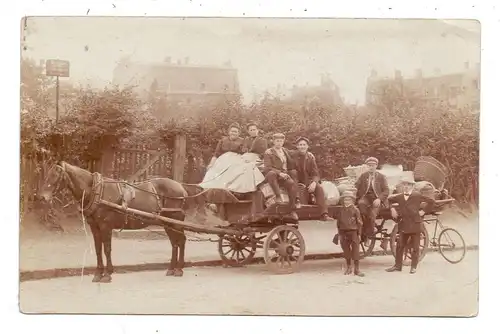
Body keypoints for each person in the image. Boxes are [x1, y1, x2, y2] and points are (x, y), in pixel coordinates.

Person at [386, 176, 436, 274]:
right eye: (405, 184)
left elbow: (431, 201)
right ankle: (397, 266)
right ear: (402, 186)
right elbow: (389, 200)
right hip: (404, 224)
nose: (406, 187)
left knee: (415, 247)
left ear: (412, 186)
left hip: (415, 224)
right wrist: (392, 209)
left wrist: (423, 211)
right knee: (400, 246)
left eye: (409, 185)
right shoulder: (399, 196)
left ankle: (413, 267)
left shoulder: (417, 195)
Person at [199, 122, 265, 194]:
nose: (233, 133)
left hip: (235, 158)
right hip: (222, 159)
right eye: (232, 131)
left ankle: (228, 189)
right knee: (212, 170)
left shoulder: (242, 141)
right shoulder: (223, 140)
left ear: (238, 133)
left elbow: (246, 152)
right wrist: (211, 164)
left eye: (236, 132)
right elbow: (216, 154)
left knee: (233, 170)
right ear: (229, 132)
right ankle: (210, 189)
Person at [292, 137, 334, 221]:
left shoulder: (310, 157)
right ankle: (302, 213)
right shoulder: (292, 156)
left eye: (304, 145)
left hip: (308, 181)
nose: (302, 147)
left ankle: (324, 214)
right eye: (300, 145)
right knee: (301, 195)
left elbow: (315, 173)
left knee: (319, 188)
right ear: (297, 146)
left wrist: (314, 182)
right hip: (296, 181)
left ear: (307, 146)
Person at [263, 133, 299, 220]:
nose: (279, 143)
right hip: (274, 175)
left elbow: (296, 153)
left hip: (284, 174)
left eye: (281, 141)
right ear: (273, 142)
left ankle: (292, 209)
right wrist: (280, 173)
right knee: (271, 173)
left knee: (291, 183)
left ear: (283, 142)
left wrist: (305, 151)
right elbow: (267, 167)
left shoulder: (285, 151)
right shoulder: (269, 152)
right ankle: (278, 196)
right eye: (277, 141)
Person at [355, 156, 390, 247]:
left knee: (372, 215)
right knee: (361, 207)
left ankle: (368, 237)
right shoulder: (363, 176)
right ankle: (372, 226)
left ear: (376, 166)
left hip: (377, 199)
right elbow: (356, 186)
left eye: (373, 165)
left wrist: (379, 199)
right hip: (366, 198)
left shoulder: (381, 177)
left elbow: (386, 190)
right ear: (367, 166)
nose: (371, 167)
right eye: (369, 165)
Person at [335, 191, 364, 276]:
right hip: (343, 232)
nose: (347, 201)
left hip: (353, 232)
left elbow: (360, 223)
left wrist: (359, 234)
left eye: (349, 199)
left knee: (355, 251)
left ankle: (357, 269)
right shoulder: (341, 210)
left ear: (352, 201)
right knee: (346, 251)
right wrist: (339, 234)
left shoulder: (355, 210)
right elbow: (338, 223)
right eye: (345, 199)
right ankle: (348, 268)